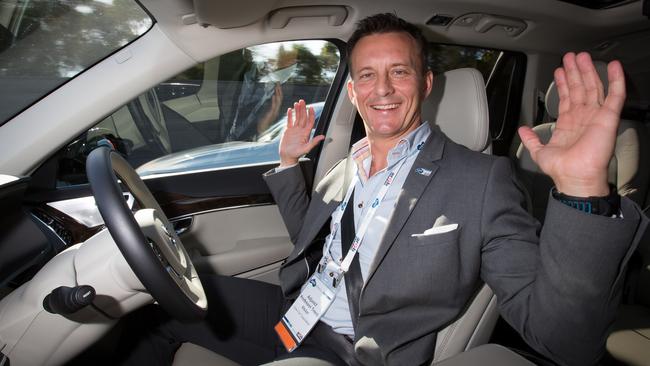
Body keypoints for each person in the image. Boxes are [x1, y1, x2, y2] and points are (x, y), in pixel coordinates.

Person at [106, 13, 646, 366]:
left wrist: (582, 192)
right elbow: (313, 244)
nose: (381, 90)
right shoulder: (350, 160)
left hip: (357, 351)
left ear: (426, 84)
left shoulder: (481, 182)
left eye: (399, 73)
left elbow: (565, 340)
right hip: (296, 313)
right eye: (365, 75)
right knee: (157, 307)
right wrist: (289, 164)